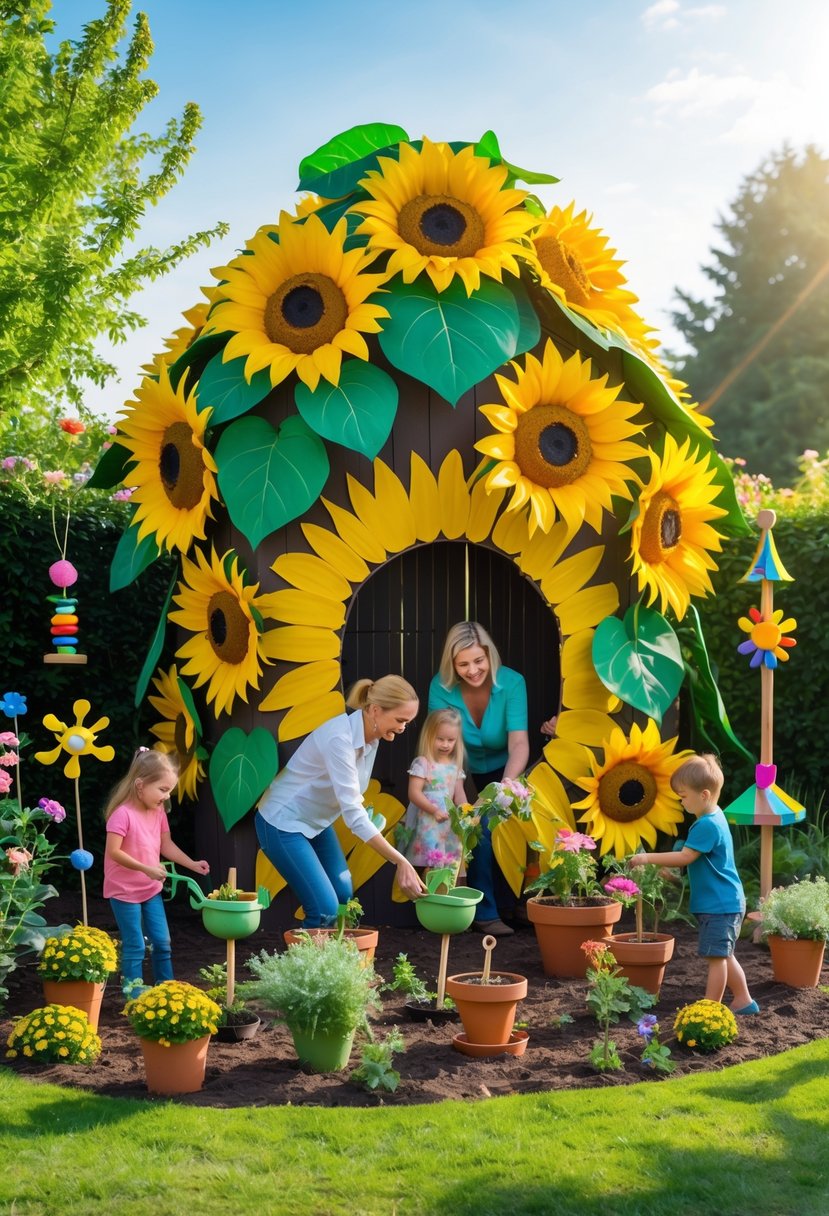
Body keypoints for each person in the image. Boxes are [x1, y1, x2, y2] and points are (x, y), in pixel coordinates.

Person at [256, 675, 426, 927]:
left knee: (344, 894)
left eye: (407, 722)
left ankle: (339, 961)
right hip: (282, 823)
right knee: (324, 911)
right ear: (376, 710)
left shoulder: (373, 737)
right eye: (400, 720)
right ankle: (304, 967)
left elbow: (353, 796)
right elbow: (353, 816)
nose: (402, 728)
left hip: (316, 823)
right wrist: (400, 860)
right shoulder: (340, 739)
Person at [630, 752, 759, 1015]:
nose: (681, 801)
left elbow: (686, 856)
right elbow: (692, 855)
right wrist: (671, 868)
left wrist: (647, 857)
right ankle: (743, 1000)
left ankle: (710, 1009)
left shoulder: (707, 825)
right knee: (724, 954)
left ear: (704, 795)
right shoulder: (713, 816)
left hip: (719, 905)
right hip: (724, 902)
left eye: (683, 796)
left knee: (716, 958)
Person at [429, 622, 529, 936]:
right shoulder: (440, 688)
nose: (473, 670)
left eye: (479, 661)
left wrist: (505, 785)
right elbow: (446, 751)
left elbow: (519, 743)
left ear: (489, 656)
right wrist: (463, 803)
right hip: (458, 767)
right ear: (452, 665)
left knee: (502, 824)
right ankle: (484, 914)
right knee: (475, 825)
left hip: (506, 766)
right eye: (463, 664)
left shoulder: (512, 683)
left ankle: (512, 905)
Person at [103, 747, 210, 998]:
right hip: (124, 890)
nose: (167, 796)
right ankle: (133, 995)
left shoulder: (158, 811)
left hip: (150, 889)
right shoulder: (122, 815)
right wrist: (147, 869)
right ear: (140, 785)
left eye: (170, 789)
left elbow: (166, 845)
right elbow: (114, 853)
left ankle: (166, 991)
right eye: (163, 789)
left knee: (163, 943)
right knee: (135, 945)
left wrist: (192, 864)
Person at [403, 708, 466, 869]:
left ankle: (446, 892)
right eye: (440, 739)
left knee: (448, 865)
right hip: (427, 822)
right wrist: (433, 810)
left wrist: (468, 812)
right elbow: (414, 793)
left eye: (451, 740)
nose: (445, 744)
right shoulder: (422, 763)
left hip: (447, 824)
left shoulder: (455, 767)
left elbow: (459, 796)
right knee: (427, 863)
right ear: (429, 735)